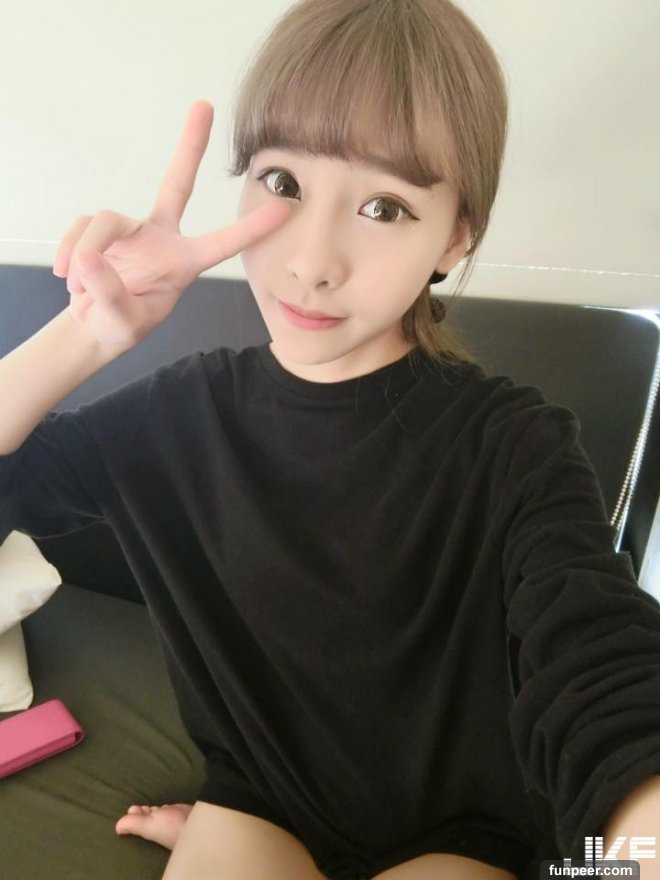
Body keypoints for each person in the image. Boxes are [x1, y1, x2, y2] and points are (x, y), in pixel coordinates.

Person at [2, 1, 660, 878]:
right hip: (259, 801)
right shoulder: (176, 418)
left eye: (385, 206)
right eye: (282, 182)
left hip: (461, 833)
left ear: (455, 237)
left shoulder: (515, 446)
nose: (313, 262)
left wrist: (624, 853)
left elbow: (598, 662)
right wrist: (86, 335)